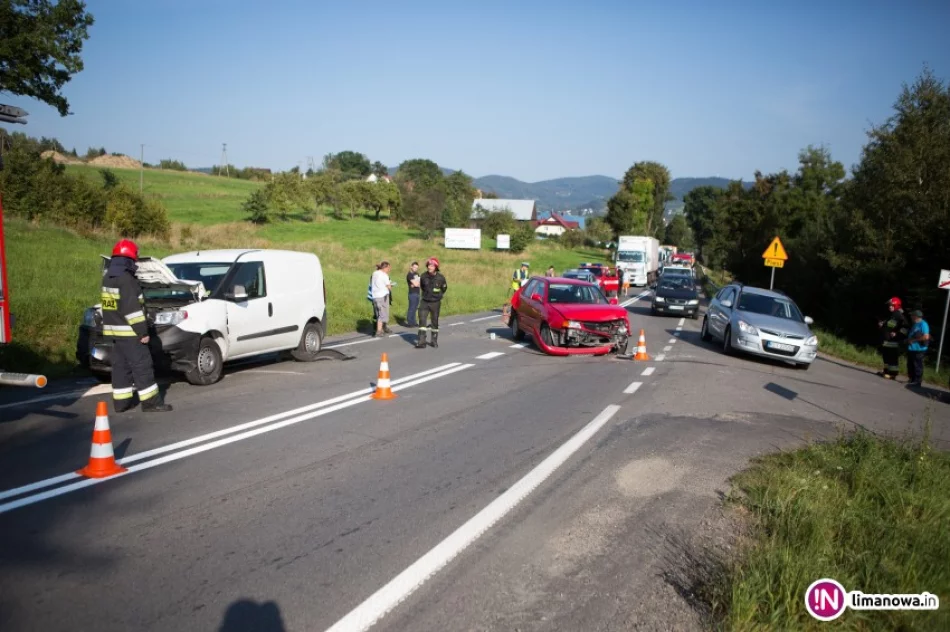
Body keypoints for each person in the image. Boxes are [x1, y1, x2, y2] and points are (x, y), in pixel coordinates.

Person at [101, 239, 172, 413]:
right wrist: (142, 332)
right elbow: (132, 310)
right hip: (131, 333)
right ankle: (151, 403)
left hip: (115, 332)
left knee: (120, 368)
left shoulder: (108, 277)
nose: (136, 261)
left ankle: (121, 403)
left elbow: (111, 307)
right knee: (142, 365)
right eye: (135, 258)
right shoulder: (126, 279)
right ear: (129, 258)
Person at [416, 257, 448, 349]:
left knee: (434, 322)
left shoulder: (440, 277)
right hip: (424, 302)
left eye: (431, 266)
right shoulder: (423, 276)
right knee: (422, 320)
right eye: (428, 265)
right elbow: (422, 286)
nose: (429, 267)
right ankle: (421, 341)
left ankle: (434, 341)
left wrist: (438, 295)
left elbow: (444, 288)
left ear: (436, 267)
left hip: (435, 303)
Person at [877, 297, 908, 379]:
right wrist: (882, 325)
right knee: (886, 357)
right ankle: (886, 371)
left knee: (892, 358)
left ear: (896, 305)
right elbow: (889, 325)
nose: (889, 307)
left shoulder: (899, 315)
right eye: (889, 305)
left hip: (892, 342)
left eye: (891, 305)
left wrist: (897, 334)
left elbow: (905, 328)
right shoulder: (892, 315)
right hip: (887, 341)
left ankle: (893, 374)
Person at [905, 309, 930, 387]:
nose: (911, 317)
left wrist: (914, 340)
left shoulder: (923, 324)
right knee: (910, 364)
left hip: (919, 349)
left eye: (912, 315)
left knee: (917, 365)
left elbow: (926, 337)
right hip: (912, 348)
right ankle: (912, 379)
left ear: (916, 316)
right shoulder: (915, 324)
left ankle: (917, 381)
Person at [370, 261, 393, 337]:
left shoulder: (374, 273)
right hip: (382, 296)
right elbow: (389, 286)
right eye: (388, 268)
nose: (389, 270)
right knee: (382, 314)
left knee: (378, 313)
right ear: (385, 267)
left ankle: (381, 329)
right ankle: (379, 331)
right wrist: (390, 286)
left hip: (375, 296)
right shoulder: (384, 275)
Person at [406, 261, 421, 328]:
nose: (415, 269)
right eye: (414, 267)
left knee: (415, 308)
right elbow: (416, 284)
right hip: (412, 293)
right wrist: (416, 284)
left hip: (417, 292)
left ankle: (414, 322)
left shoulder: (417, 274)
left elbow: (420, 283)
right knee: (411, 308)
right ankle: (410, 322)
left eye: (416, 268)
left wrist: (416, 284)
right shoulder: (409, 275)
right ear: (411, 267)